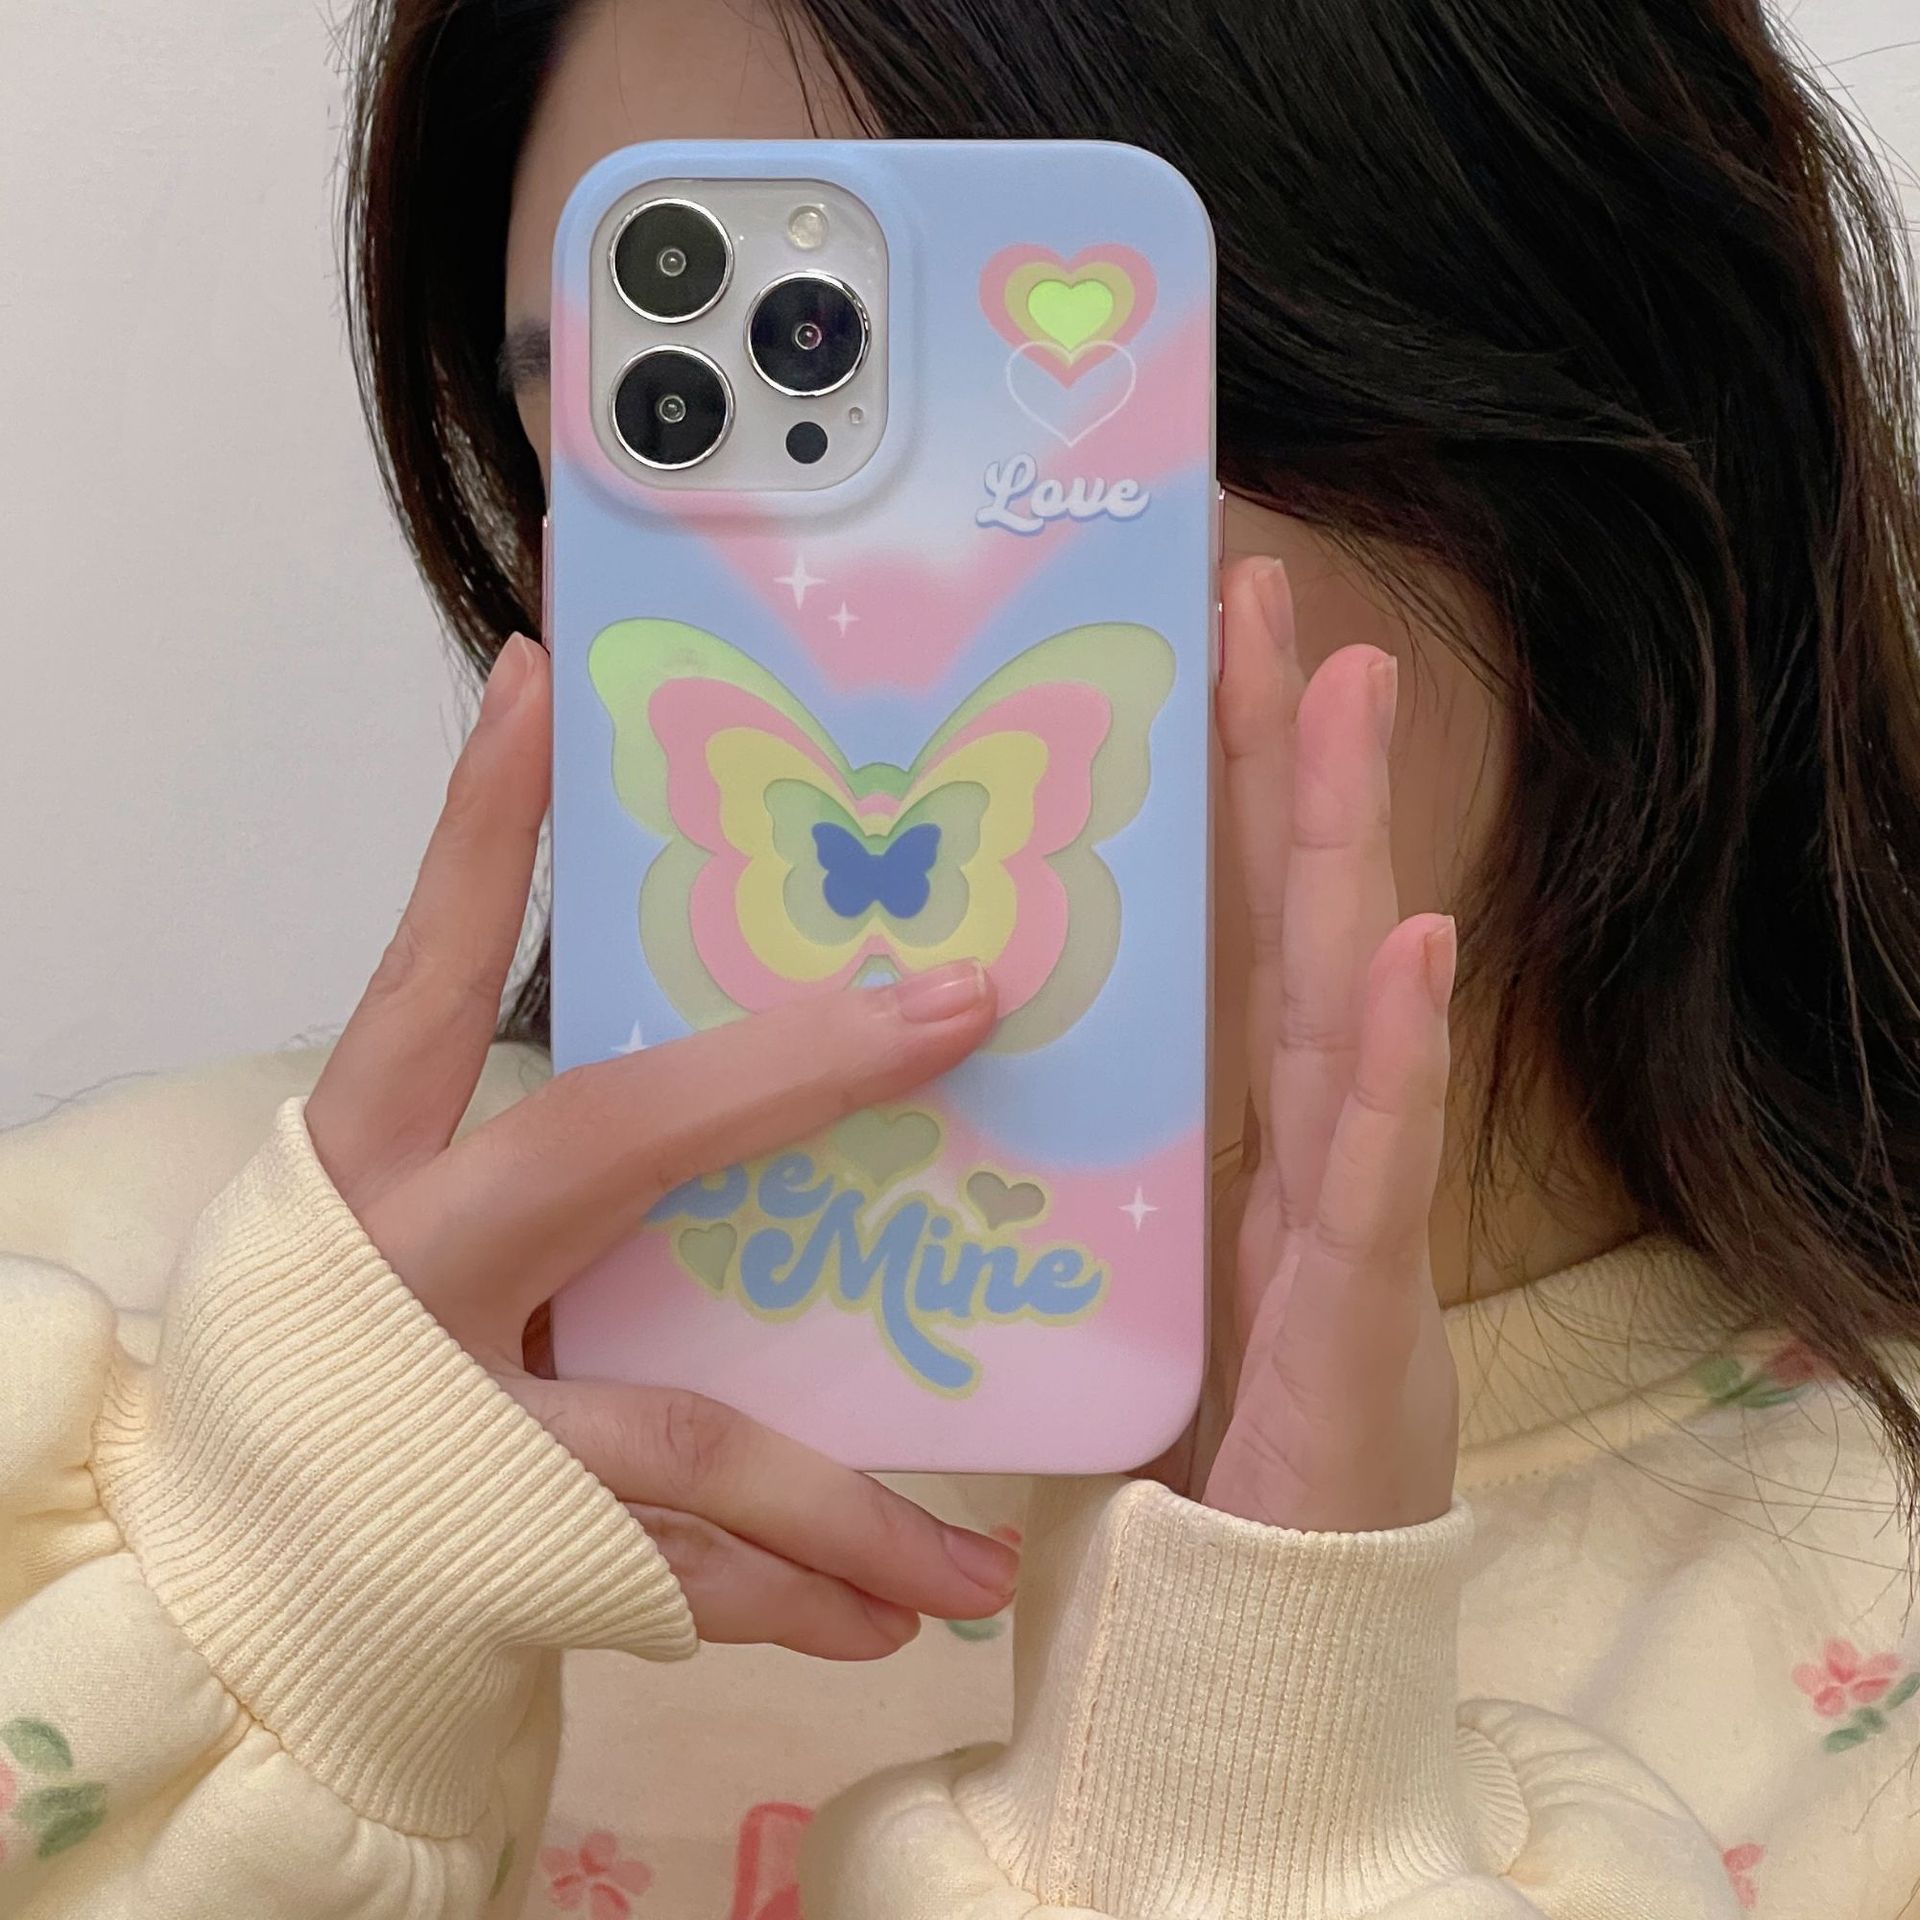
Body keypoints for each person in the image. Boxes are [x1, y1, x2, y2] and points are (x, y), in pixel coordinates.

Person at [4, 0, 1919, 1912]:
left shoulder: (1869, 1645)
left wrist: (1265, 1818)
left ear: (1589, 419)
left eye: (1022, 413)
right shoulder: (101, 1348)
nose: (872, 607)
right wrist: (242, 1652)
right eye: (660, 433)